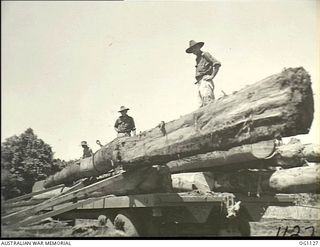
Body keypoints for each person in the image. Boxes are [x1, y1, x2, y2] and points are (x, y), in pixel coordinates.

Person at [186, 40, 221, 107]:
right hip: (199, 82)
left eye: (194, 48)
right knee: (201, 106)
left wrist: (212, 76)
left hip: (205, 81)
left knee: (208, 102)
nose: (193, 51)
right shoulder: (197, 59)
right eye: (192, 50)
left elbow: (217, 64)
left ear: (199, 47)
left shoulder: (205, 54)